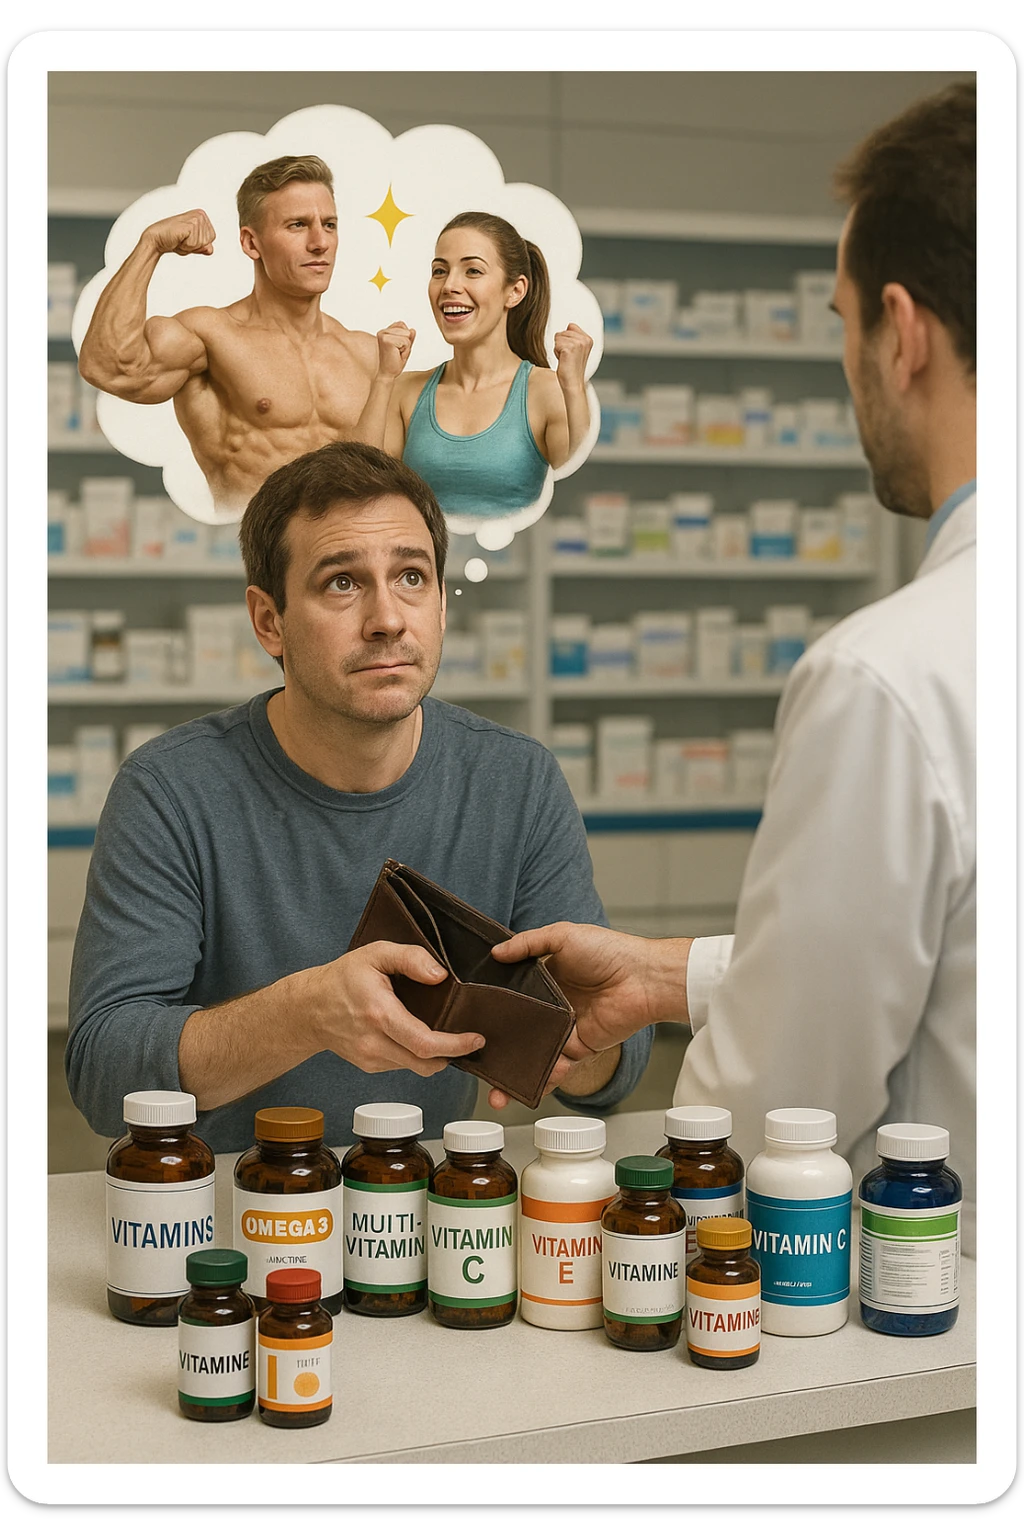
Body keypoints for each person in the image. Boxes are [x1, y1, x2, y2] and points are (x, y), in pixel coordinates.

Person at [491, 82, 978, 1252]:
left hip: (929, 1333)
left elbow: (770, 1124)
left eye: (842, 318)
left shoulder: (887, 679)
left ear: (900, 333)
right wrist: (676, 975)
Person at [65, 441, 653, 1150]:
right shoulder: (171, 791)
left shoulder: (514, 781)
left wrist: (586, 1038)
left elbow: (618, 1072)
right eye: (342, 583)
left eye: (411, 576)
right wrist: (304, 1013)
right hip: (227, 1209)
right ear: (268, 621)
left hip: (423, 1202)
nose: (387, 618)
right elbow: (103, 1072)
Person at [77, 155, 379, 516]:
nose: (320, 242)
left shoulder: (366, 353)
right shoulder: (211, 337)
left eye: (329, 224)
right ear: (251, 244)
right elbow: (107, 366)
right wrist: (151, 245)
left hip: (349, 561)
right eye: (298, 225)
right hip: (255, 559)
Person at [353, 211, 593, 518]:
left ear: (515, 291)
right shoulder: (405, 390)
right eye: (439, 271)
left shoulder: (549, 391)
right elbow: (358, 490)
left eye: (473, 271)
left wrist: (573, 388)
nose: (450, 285)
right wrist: (385, 377)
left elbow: (575, 492)